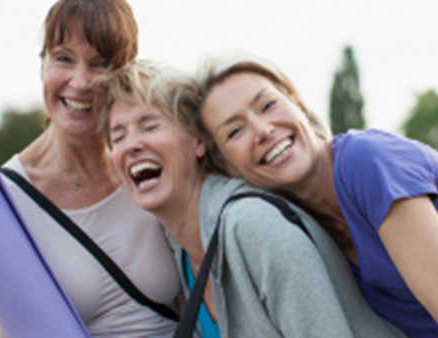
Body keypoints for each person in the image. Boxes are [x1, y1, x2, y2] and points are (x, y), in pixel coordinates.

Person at [189, 51, 438, 338]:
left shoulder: (366, 161)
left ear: (297, 104)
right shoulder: (298, 230)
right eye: (235, 130)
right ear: (225, 163)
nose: (263, 130)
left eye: (267, 106)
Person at [96, 60, 406, 338]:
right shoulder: (180, 254)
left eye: (149, 126)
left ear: (198, 141)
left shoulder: (254, 226)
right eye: (118, 136)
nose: (131, 145)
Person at [0, 1, 180, 337]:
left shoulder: (146, 167)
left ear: (125, 74)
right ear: (42, 64)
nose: (81, 82)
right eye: (64, 58)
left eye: (100, 64)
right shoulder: (0, 201)